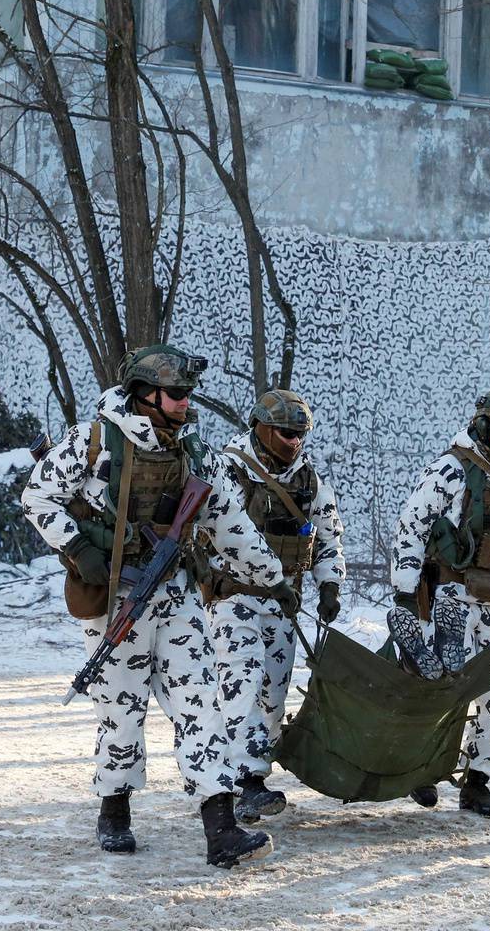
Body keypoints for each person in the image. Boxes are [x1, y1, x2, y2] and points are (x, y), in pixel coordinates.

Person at [19, 344, 289, 868]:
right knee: (120, 710)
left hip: (175, 595)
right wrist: (77, 548)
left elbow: (226, 519)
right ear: (146, 395)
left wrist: (271, 576)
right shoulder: (95, 440)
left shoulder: (192, 451)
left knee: (202, 706)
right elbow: (38, 495)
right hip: (118, 600)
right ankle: (114, 810)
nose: (187, 403)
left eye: (188, 394)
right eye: (177, 394)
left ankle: (221, 829)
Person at [387, 387, 490, 816]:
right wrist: (404, 592)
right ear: (483, 426)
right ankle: (419, 767)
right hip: (453, 596)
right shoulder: (450, 471)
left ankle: (478, 782)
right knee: (443, 686)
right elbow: (411, 527)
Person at [203, 389, 346, 824]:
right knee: (241, 682)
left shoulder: (310, 481)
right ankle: (242, 782)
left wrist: (330, 586)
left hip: (283, 604)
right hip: (232, 596)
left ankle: (251, 775)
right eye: (286, 433)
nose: (294, 442)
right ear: (261, 428)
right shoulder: (227, 469)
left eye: (300, 434)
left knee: (273, 691)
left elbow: (327, 536)